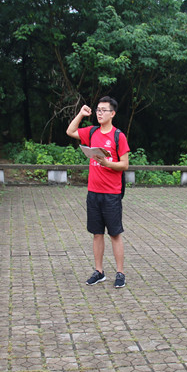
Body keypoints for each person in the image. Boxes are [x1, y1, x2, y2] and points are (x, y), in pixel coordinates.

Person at [66, 97, 130, 288]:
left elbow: (125, 165)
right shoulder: (92, 132)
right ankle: (99, 271)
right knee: (96, 233)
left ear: (113, 113)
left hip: (111, 193)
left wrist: (107, 163)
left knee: (115, 234)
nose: (99, 113)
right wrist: (81, 114)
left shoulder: (118, 136)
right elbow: (70, 131)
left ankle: (120, 273)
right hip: (93, 192)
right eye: (98, 110)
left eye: (104, 110)